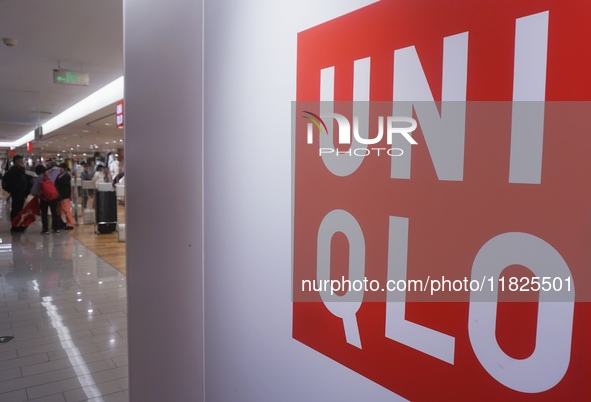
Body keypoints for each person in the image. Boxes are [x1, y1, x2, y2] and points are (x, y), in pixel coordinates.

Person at [31, 165, 61, 234]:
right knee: (54, 212)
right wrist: (48, 170)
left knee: (44, 213)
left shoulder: (38, 179)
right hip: (53, 197)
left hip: (43, 198)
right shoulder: (50, 175)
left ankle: (45, 229)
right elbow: (57, 168)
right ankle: (56, 228)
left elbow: (33, 191)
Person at [4, 155, 30, 232]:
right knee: (16, 209)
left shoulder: (17, 170)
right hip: (17, 192)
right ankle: (15, 226)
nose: (22, 162)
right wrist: (22, 167)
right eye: (20, 160)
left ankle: (17, 224)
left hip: (20, 192)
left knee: (19, 209)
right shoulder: (15, 170)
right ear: (16, 161)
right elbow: (22, 171)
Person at [55, 163, 74, 230]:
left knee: (66, 209)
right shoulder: (59, 175)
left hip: (65, 195)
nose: (60, 169)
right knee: (59, 210)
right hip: (59, 195)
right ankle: (60, 223)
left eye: (61, 168)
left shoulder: (66, 176)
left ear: (65, 168)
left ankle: (70, 224)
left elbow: (61, 183)